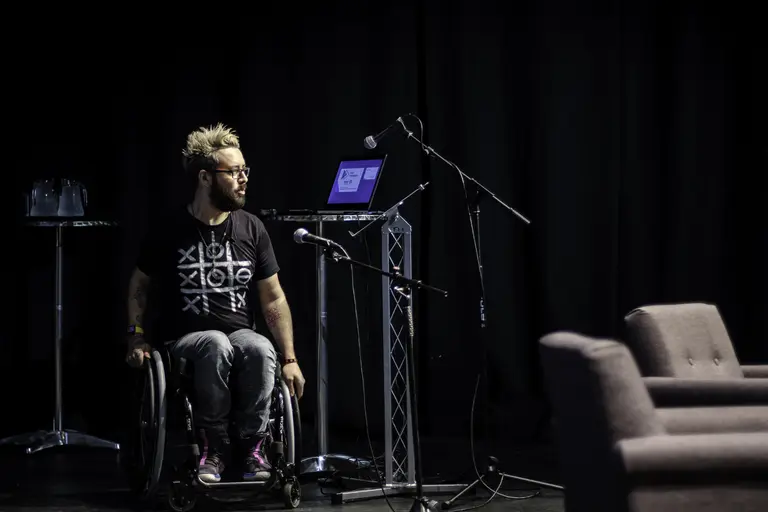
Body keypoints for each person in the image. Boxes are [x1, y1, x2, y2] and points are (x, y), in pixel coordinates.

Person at [124, 123, 305, 484]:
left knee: (257, 346)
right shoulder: (169, 228)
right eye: (234, 172)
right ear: (206, 178)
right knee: (214, 343)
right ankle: (214, 447)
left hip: (238, 335)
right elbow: (139, 285)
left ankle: (254, 446)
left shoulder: (251, 228)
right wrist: (136, 335)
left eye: (244, 170)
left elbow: (273, 297)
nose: (243, 179)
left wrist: (290, 358)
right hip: (184, 342)